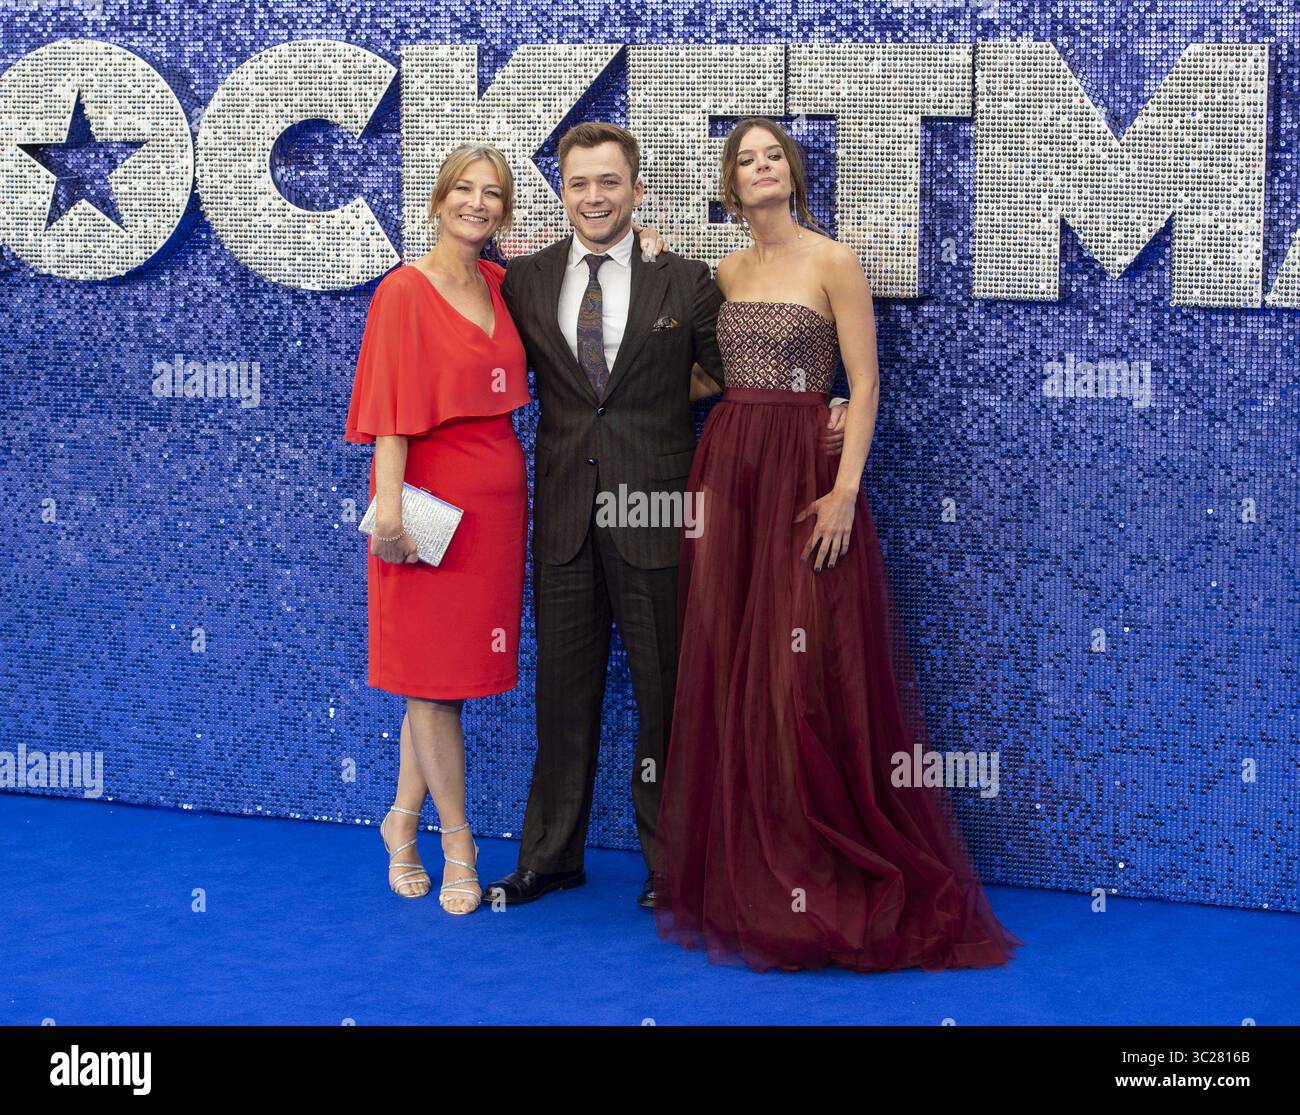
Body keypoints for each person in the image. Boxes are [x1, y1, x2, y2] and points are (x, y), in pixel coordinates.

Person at [652, 117, 1024, 972]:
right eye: (744, 160)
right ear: (730, 182)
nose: (759, 168)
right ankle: (751, 873)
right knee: (728, 664)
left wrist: (843, 492)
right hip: (730, 470)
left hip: (804, 486)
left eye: (771, 155)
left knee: (797, 679)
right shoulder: (723, 271)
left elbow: (866, 381)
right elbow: (709, 377)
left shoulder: (834, 260)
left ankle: (815, 868)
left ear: (793, 171)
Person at [483, 123, 847, 909]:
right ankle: (548, 856)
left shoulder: (685, 281)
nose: (594, 197)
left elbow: (737, 371)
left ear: (636, 190)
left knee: (666, 703)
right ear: (563, 192)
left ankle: (670, 863)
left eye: (609, 182)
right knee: (562, 696)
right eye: (580, 183)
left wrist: (827, 399)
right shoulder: (521, 281)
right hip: (564, 523)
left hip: (659, 512)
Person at [343, 143, 533, 914]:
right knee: (429, 681)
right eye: (464, 189)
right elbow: (390, 409)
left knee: (443, 684)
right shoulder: (403, 290)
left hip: (496, 504)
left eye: (492, 193)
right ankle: (459, 843)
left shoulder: (499, 281)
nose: (477, 203)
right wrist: (389, 512)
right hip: (424, 502)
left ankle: (398, 819)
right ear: (437, 198)